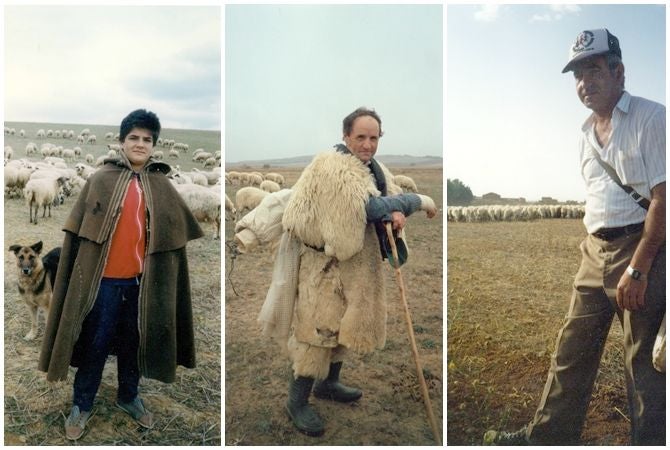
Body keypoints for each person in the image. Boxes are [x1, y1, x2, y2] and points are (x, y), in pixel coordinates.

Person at [484, 29, 665, 445]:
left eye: (594, 69)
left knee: (643, 365)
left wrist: (639, 268)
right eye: (578, 74)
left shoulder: (652, 118)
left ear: (619, 71)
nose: (585, 82)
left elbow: (662, 199)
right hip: (593, 252)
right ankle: (546, 438)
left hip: (639, 251)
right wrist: (592, 246)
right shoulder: (585, 133)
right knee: (571, 353)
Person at [233, 107, 438, 437]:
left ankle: (329, 384)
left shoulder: (373, 169)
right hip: (322, 267)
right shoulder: (331, 166)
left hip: (357, 266)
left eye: (374, 138)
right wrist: (421, 200)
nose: (368, 144)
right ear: (346, 136)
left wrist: (398, 213)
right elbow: (367, 207)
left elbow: (387, 201)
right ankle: (297, 401)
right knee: (316, 332)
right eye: (361, 137)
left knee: (347, 326)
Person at [38, 109, 204, 440]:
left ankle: (129, 396)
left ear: (154, 145)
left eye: (147, 139)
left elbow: (172, 243)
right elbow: (78, 238)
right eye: (134, 138)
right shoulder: (101, 179)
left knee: (133, 343)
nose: (140, 144)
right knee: (95, 343)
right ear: (121, 142)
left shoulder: (162, 186)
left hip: (142, 285)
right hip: (103, 284)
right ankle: (82, 404)